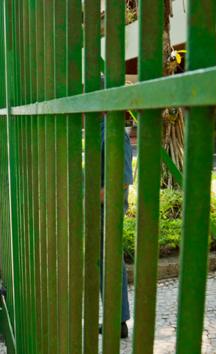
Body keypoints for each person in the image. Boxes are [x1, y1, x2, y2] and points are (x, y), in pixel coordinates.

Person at [99, 117, 133, 339]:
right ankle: (114, 318)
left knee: (110, 262)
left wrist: (93, 195)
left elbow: (122, 179)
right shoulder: (100, 130)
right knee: (104, 263)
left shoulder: (113, 132)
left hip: (108, 209)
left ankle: (118, 320)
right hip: (101, 208)